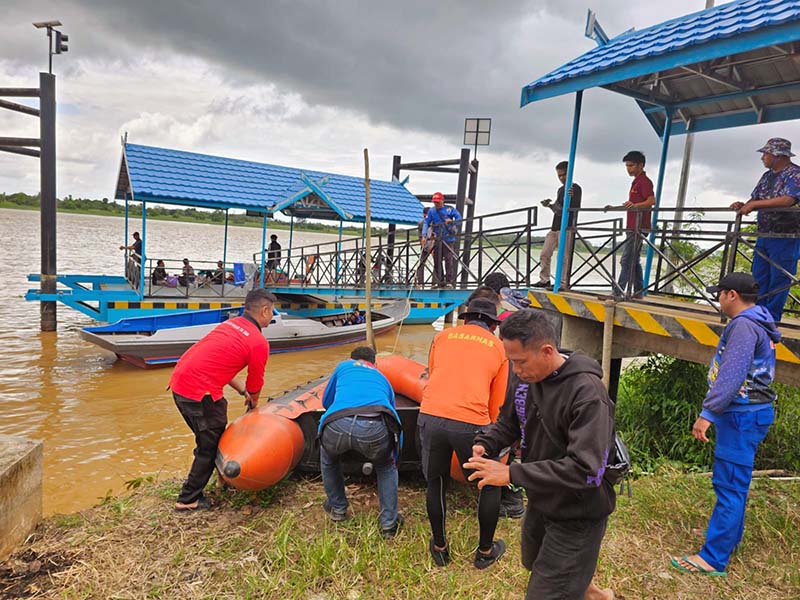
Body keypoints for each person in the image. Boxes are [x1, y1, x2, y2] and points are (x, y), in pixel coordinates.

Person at [465, 309, 616, 600]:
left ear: (547, 350)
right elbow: (509, 422)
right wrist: (487, 443)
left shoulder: (587, 393)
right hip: (542, 499)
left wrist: (510, 473)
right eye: (511, 362)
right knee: (535, 563)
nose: (516, 369)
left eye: (520, 362)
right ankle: (594, 594)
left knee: (546, 591)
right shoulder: (524, 379)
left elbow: (587, 470)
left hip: (577, 511)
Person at [671, 272, 781, 577]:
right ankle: (725, 537)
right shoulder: (759, 319)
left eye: (720, 293)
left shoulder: (744, 327)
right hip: (751, 412)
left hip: (742, 415)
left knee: (729, 484)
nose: (717, 298)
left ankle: (713, 558)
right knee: (736, 483)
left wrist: (707, 414)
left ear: (731, 295)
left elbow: (732, 375)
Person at [418, 297, 509, 569]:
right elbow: (498, 401)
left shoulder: (442, 337)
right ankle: (484, 552)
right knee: (489, 482)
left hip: (431, 414)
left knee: (436, 481)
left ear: (465, 319)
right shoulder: (499, 348)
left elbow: (434, 374)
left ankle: (440, 547)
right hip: (472, 420)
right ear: (493, 325)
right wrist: (495, 441)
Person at [169, 289, 276, 511]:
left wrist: (241, 391)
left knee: (208, 438)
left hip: (180, 384)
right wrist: (253, 402)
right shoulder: (258, 342)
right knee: (209, 446)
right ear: (264, 310)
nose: (272, 316)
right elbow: (256, 381)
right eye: (271, 311)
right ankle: (188, 499)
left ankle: (219, 480)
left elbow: (219, 364)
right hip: (199, 393)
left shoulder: (230, 326)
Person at [318, 346, 404, 537]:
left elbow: (326, 402)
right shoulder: (383, 378)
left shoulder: (343, 367)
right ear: (374, 363)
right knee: (386, 466)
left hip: (337, 423)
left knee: (329, 459)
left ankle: (337, 508)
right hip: (373, 428)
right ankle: (389, 524)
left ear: (351, 358)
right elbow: (390, 409)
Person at [464, 285, 526, 520]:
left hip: (518, 395)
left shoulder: (506, 336)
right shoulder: (498, 335)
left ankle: (512, 499)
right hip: (516, 391)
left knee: (513, 447)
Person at [730, 137, 800, 322]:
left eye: (766, 154)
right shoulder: (767, 177)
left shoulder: (795, 174)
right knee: (759, 276)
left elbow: (788, 200)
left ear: (778, 155)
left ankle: (771, 318)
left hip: (785, 236)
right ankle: (758, 314)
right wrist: (744, 204)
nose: (763, 158)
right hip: (764, 233)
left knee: (780, 278)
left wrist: (755, 205)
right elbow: (755, 199)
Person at [605, 151, 655, 298]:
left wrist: (635, 206)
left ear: (641, 165)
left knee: (626, 259)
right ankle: (638, 291)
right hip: (632, 225)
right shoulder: (636, 182)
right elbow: (632, 205)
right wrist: (614, 208)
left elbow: (651, 201)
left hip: (639, 226)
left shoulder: (644, 181)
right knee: (634, 259)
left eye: (631, 165)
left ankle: (618, 291)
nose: (629, 168)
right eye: (627, 166)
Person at [535, 161, 582, 289]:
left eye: (564, 175)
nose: (561, 178)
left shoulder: (575, 188)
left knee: (564, 257)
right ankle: (545, 279)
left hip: (567, 227)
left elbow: (575, 207)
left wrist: (571, 197)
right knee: (545, 253)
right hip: (555, 226)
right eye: (559, 176)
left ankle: (562, 283)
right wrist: (550, 205)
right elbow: (559, 209)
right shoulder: (561, 190)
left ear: (570, 173)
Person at [423, 192, 461, 287]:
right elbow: (426, 222)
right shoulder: (432, 211)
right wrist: (424, 236)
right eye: (435, 202)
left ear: (442, 201)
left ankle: (449, 281)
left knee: (448, 260)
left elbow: (459, 218)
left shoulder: (449, 209)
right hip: (438, 239)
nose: (436, 204)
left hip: (449, 239)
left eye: (438, 202)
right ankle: (440, 281)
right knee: (437, 260)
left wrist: (452, 221)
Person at [416, 207, 434, 285]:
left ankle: (435, 283)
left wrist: (433, 247)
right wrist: (422, 242)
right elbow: (420, 235)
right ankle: (420, 282)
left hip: (433, 245)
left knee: (437, 263)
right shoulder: (421, 223)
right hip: (425, 245)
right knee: (421, 264)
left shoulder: (435, 222)